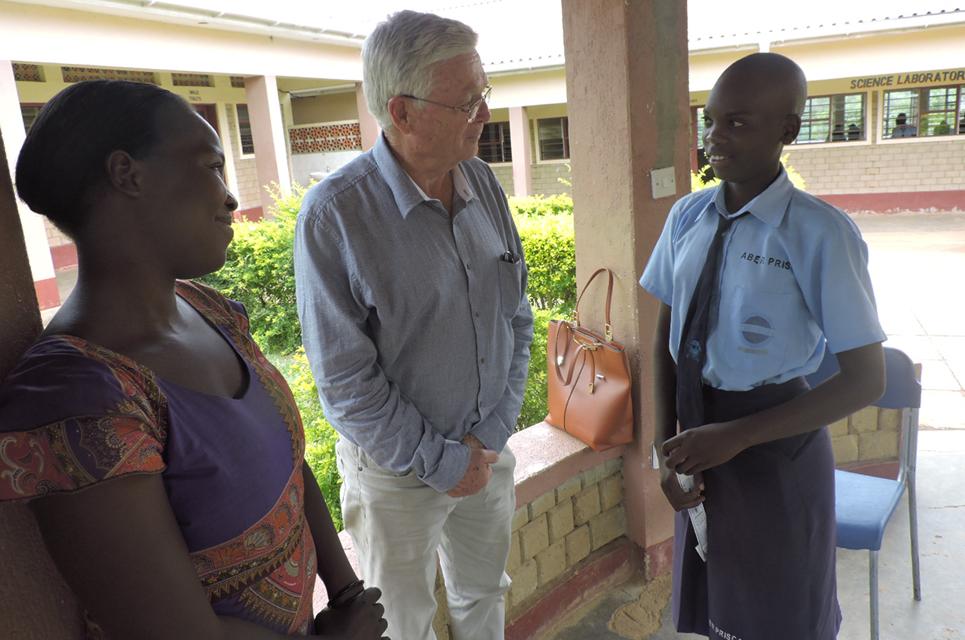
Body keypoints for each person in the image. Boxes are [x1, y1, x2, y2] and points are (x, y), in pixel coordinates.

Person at [0, 80, 388, 640]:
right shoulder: (75, 397)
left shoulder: (210, 311)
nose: (230, 198)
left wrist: (347, 593)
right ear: (127, 174)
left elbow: (291, 465)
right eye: (211, 167)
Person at [294, 10, 533, 640]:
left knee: (485, 593)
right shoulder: (335, 216)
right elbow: (346, 383)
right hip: (397, 476)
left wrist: (490, 436)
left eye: (483, 94)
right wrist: (443, 462)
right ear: (402, 112)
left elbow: (516, 314)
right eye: (467, 102)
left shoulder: (482, 181)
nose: (484, 113)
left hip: (487, 449)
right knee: (402, 623)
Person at [639, 52, 886, 639]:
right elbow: (667, 338)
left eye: (738, 123)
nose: (715, 137)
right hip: (698, 443)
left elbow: (865, 379)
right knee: (718, 610)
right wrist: (663, 450)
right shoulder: (686, 217)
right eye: (710, 120)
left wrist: (738, 436)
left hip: (775, 450)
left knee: (778, 616)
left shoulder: (820, 232)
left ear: (788, 130)